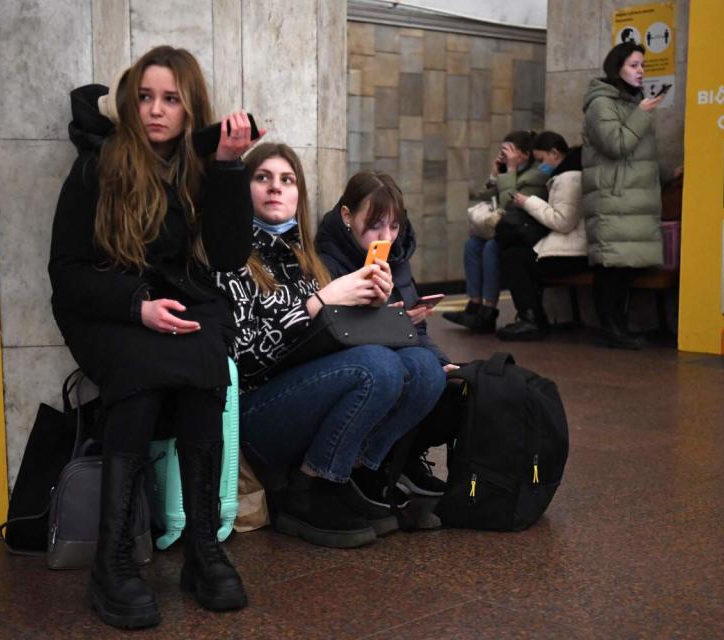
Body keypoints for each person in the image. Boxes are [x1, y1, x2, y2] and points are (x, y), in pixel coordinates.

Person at [48, 45, 257, 628]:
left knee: (203, 362)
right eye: (145, 97)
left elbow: (228, 254)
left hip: (182, 298)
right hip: (106, 309)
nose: (156, 111)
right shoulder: (99, 163)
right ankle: (111, 564)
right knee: (140, 374)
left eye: (170, 99)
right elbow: (65, 274)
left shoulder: (199, 164)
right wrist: (136, 308)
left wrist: (229, 168)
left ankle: (201, 549)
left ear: (191, 108)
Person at [214, 144, 446, 549]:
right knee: (378, 367)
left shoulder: (305, 257)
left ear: (299, 195)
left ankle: (350, 477)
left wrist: (377, 311)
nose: (276, 188)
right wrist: (319, 302)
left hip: (306, 391)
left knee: (424, 368)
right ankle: (305, 492)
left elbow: (330, 344)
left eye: (287, 180)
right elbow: (244, 356)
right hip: (255, 412)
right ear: (242, 189)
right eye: (262, 178)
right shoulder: (230, 255)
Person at [315, 171, 454, 500]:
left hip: (392, 357)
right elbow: (333, 340)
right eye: (376, 225)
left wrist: (441, 362)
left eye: (394, 226)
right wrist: (392, 322)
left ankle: (385, 462)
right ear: (347, 217)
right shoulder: (327, 262)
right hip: (353, 368)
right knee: (391, 370)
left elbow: (416, 332)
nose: (386, 237)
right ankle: (347, 472)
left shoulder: (397, 260)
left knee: (435, 374)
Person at [581, 42, 665, 349]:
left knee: (624, 268)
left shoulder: (630, 104)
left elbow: (639, 156)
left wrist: (669, 174)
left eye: (642, 65)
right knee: (612, 269)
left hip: (630, 201)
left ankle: (619, 326)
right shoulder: (601, 104)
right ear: (617, 67)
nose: (640, 71)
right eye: (633, 65)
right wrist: (641, 115)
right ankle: (612, 328)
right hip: (612, 200)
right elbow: (615, 145)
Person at [443, 130, 548, 332]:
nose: (504, 155)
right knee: (472, 245)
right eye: (503, 150)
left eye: (510, 151)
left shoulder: (535, 176)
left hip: (523, 233)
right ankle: (474, 304)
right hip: (505, 229)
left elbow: (509, 203)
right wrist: (494, 174)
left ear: (525, 155)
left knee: (492, 247)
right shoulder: (510, 172)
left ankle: (489, 310)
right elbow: (485, 195)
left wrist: (509, 169)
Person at [496, 131, 589, 341]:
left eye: (541, 160)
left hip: (572, 250)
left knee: (513, 258)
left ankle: (532, 319)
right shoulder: (564, 174)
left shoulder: (568, 178)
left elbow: (563, 221)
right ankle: (526, 316)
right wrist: (502, 171)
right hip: (569, 245)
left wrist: (528, 202)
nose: (541, 166)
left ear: (555, 153)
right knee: (510, 253)